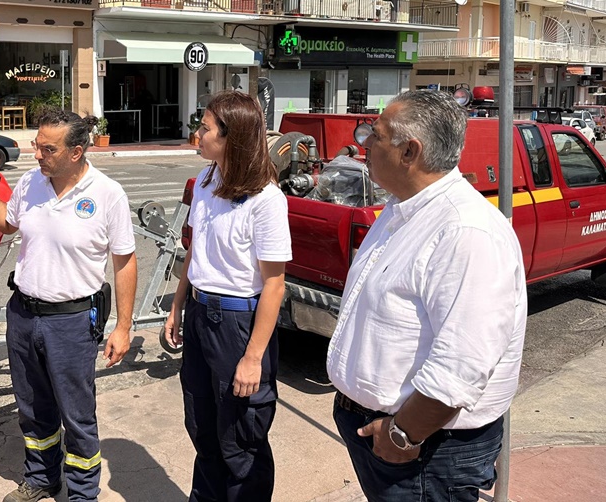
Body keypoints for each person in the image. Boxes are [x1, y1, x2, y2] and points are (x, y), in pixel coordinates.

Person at [326, 90, 527, 501]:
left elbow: (461, 365)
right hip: (389, 437)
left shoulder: (465, 231)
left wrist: (401, 434)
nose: (363, 144)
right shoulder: (406, 208)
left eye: (374, 135)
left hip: (423, 450)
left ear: (409, 152)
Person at [0, 108, 136, 502]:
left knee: (76, 414)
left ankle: (81, 493)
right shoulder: (30, 182)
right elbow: (8, 225)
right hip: (23, 315)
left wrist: (123, 326)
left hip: (72, 321)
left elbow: (125, 261)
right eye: (36, 146)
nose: (36, 155)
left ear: (76, 152)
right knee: (32, 406)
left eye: (47, 149)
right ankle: (42, 478)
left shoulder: (107, 194)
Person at [164, 90, 292, 501]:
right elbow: (195, 252)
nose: (196, 135)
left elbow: (275, 283)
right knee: (202, 427)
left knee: (241, 439)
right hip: (201, 315)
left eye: (205, 129)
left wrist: (253, 357)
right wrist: (177, 305)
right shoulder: (206, 181)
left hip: (238, 325)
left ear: (231, 137)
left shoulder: (265, 200)